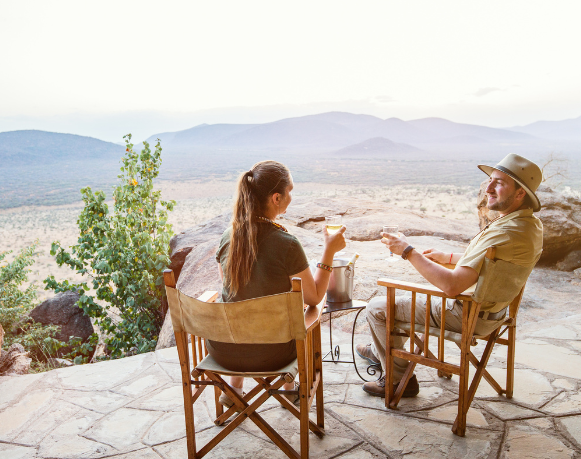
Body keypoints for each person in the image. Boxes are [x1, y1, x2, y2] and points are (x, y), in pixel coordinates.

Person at [356, 153, 544, 398]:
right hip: (496, 314)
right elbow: (490, 260)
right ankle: (380, 350)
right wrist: (449, 257)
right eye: (490, 180)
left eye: (499, 183)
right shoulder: (528, 225)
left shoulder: (505, 231)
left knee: (377, 307)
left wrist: (407, 251)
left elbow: (451, 285)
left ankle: (397, 378)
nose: (488, 188)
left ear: (520, 194)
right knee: (402, 304)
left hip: (465, 314)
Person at [212, 160, 346, 406]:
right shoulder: (286, 244)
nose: (291, 197)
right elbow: (314, 297)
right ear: (276, 198)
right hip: (272, 356)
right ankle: (289, 386)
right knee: (307, 310)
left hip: (224, 352)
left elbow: (229, 293)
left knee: (239, 306)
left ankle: (235, 389)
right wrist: (329, 252)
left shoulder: (227, 237)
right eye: (290, 191)